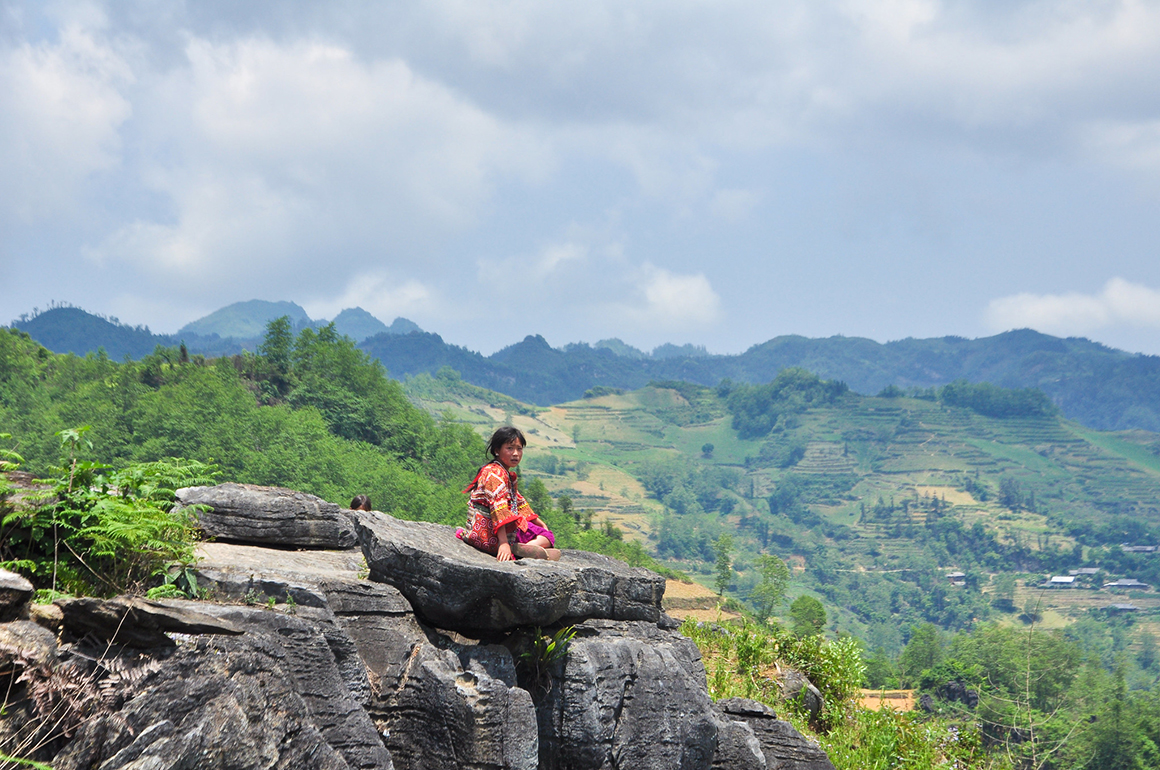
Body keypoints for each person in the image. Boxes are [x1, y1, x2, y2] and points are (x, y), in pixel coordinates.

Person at [458, 426, 561, 562]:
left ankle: (527, 549)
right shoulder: (495, 474)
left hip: (483, 529)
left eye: (519, 448)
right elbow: (497, 509)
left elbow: (518, 502)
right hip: (491, 534)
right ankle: (519, 549)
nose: (516, 454)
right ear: (497, 450)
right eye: (510, 448)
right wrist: (504, 544)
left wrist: (538, 522)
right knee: (547, 536)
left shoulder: (499, 472)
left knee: (542, 531)